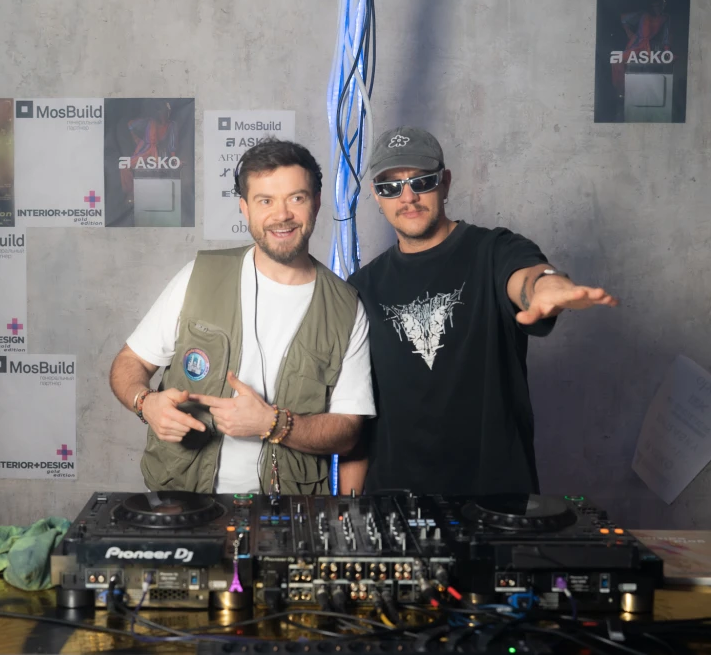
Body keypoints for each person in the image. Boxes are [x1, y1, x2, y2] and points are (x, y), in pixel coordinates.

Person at [342, 127, 617, 496]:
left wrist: (546, 286)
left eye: (422, 181)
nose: (407, 197)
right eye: (391, 187)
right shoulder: (362, 286)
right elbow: (359, 417)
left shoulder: (494, 251)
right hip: (395, 505)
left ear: (445, 182)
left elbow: (525, 277)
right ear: (377, 195)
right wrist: (349, 512)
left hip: (496, 501)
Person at [109, 138, 376, 495]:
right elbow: (129, 363)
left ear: (316, 203)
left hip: (288, 509)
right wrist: (146, 403)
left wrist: (274, 423)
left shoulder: (345, 307)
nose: (281, 215)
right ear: (245, 208)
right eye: (265, 201)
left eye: (296, 198)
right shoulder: (199, 276)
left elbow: (348, 429)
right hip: (183, 501)